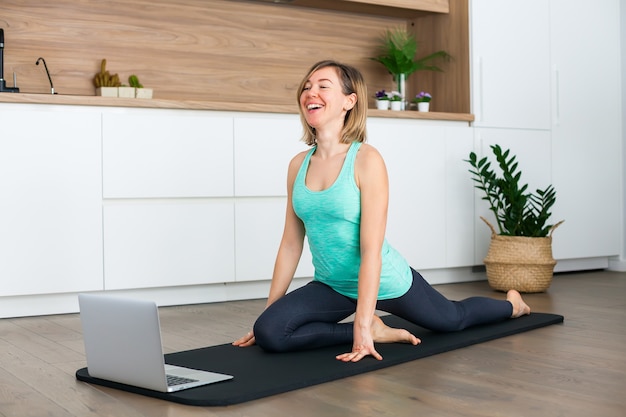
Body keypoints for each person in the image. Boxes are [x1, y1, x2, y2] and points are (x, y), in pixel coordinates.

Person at [233, 60, 530, 363]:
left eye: (324, 86)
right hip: (332, 285)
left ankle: (512, 306)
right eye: (307, 87)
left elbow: (371, 250)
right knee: (270, 332)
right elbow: (290, 244)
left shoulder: (366, 160)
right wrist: (270, 313)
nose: (311, 93)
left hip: (385, 280)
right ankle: (376, 328)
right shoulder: (298, 164)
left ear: (350, 101)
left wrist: (360, 320)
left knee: (451, 320)